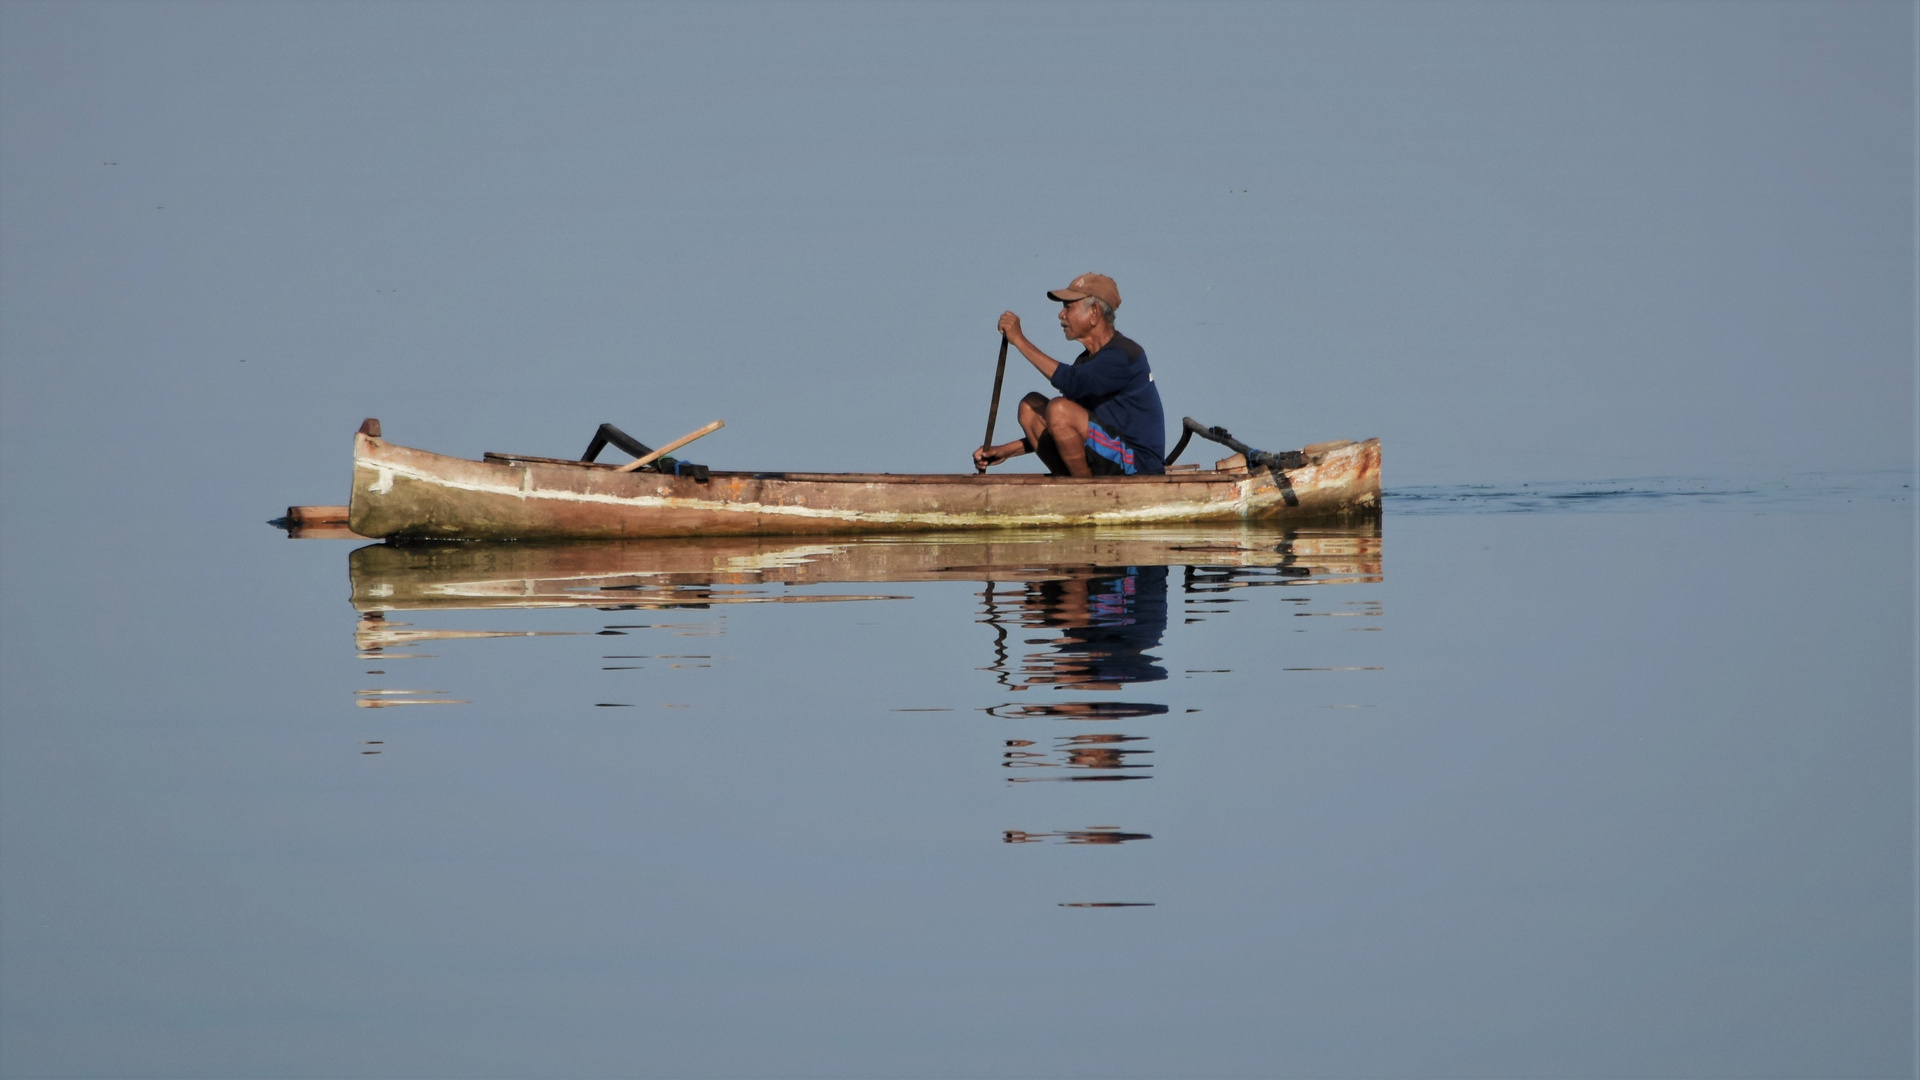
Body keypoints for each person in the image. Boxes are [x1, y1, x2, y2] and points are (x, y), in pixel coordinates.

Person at [971, 273, 1166, 477]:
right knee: (1030, 406)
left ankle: (1083, 492)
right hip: (1106, 454)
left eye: (1068, 307)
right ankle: (1075, 485)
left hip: (1138, 465)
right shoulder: (1086, 361)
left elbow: (1070, 387)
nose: (1061, 315)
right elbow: (1063, 430)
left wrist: (1019, 340)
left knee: (1060, 409)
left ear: (1094, 312)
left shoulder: (1123, 355)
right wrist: (1006, 451)